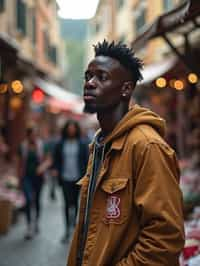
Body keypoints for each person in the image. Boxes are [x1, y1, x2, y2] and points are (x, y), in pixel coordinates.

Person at [67, 40, 185, 265]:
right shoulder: (101, 144)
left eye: (101, 77)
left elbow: (165, 240)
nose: (90, 83)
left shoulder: (147, 146)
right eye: (87, 76)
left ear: (126, 89)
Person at [53, 120, 89, 243]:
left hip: (78, 178)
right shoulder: (61, 143)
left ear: (76, 129)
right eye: (69, 128)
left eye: (73, 128)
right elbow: (56, 160)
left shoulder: (82, 143)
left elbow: (86, 160)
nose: (71, 130)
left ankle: (74, 227)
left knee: (76, 203)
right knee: (67, 204)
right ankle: (67, 229)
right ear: (66, 129)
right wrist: (56, 170)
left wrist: (86, 175)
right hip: (65, 178)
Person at [18, 127, 47, 240]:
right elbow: (19, 162)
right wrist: (19, 177)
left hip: (38, 178)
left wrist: (42, 167)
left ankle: (36, 222)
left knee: (37, 200)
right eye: (32, 135)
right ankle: (29, 225)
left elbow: (48, 159)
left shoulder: (42, 145)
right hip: (26, 178)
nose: (34, 137)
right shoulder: (23, 146)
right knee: (29, 200)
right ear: (28, 135)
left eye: (35, 134)